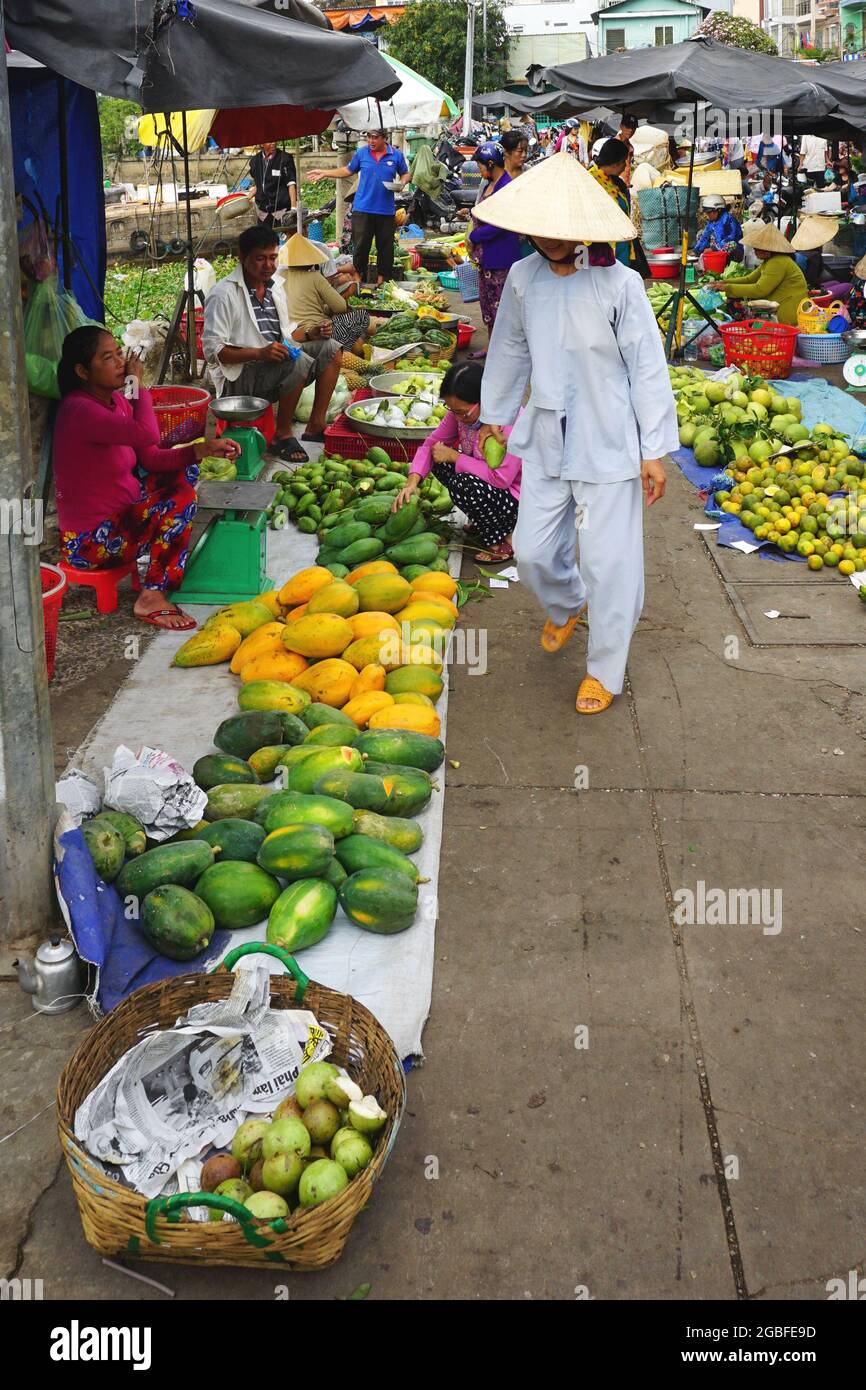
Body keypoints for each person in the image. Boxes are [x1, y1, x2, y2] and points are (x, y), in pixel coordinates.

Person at [473, 152, 678, 716]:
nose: (551, 239)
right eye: (542, 228)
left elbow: (646, 365)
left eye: (562, 229)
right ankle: (566, 606)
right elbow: (511, 345)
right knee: (533, 552)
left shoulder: (620, 283)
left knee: (611, 562)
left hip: (609, 440)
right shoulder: (522, 276)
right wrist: (495, 408)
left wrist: (654, 449)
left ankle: (605, 670)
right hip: (545, 436)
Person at [53, 326, 239, 631]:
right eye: (108, 358)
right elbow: (148, 433)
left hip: (122, 517)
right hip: (90, 543)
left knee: (183, 473)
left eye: (119, 354)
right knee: (180, 499)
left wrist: (204, 449)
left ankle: (158, 574)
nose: (120, 363)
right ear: (82, 371)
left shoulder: (116, 402)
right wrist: (137, 384)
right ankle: (151, 596)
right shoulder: (79, 410)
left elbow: (151, 457)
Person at [203, 224, 342, 462]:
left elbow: (287, 337)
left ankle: (315, 426)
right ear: (243, 257)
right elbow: (213, 352)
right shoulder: (224, 294)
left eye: (273, 258)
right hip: (237, 379)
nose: (268, 265)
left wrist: (312, 333)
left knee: (330, 348)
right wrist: (258, 354)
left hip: (268, 365)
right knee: (298, 363)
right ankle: (282, 434)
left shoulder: (274, 288)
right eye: (260, 259)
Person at [392, 361, 521, 564]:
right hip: (491, 489)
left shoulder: (509, 423)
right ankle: (487, 522)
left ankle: (504, 538)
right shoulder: (459, 415)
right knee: (438, 458)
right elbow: (430, 446)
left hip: (517, 498)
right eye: (452, 410)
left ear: (483, 400)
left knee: (465, 484)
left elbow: (501, 479)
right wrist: (412, 483)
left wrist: (455, 456)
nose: (458, 417)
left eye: (463, 412)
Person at [308, 129, 410, 285]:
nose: (371, 141)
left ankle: (383, 282)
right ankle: (358, 281)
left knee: (386, 249)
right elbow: (347, 170)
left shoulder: (396, 155)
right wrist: (325, 173)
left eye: (375, 137)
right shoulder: (362, 153)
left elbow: (405, 173)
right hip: (362, 209)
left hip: (386, 210)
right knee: (360, 248)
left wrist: (402, 183)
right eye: (368, 137)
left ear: (384, 138)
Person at [468, 142, 524, 337]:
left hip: (501, 258)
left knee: (502, 310)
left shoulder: (507, 186)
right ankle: (491, 347)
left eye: (481, 165)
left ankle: (501, 352)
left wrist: (475, 236)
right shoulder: (489, 185)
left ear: (491, 163)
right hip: (486, 259)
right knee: (488, 308)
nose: (479, 169)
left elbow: (503, 223)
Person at [706, 222, 808, 326]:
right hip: (779, 304)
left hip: (788, 311)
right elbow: (749, 279)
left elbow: (760, 289)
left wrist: (727, 288)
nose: (754, 251)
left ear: (767, 251)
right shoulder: (770, 261)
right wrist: (723, 282)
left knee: (737, 304)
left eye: (756, 249)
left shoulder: (778, 262)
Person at [280, 233, 369, 352]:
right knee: (362, 317)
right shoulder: (314, 277)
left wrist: (324, 307)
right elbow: (341, 307)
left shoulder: (277, 276)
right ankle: (343, 353)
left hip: (289, 334)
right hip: (316, 333)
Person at [589, 139, 638, 270]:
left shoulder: (616, 182)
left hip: (622, 245)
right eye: (624, 161)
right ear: (616, 163)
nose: (626, 165)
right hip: (603, 251)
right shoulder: (590, 181)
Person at [249, 141, 297, 226]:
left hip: (281, 210)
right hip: (263, 213)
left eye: (274, 140)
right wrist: (246, 198)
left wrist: (293, 208)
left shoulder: (285, 158)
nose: (273, 143)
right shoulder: (254, 161)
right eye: (269, 142)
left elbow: (291, 183)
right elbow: (259, 185)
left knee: (284, 236)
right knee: (264, 237)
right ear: (261, 144)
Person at [695, 195, 743, 262]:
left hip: (732, 253)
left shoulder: (729, 220)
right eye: (706, 212)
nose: (707, 215)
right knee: (700, 234)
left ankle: (727, 262)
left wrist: (713, 249)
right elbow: (705, 236)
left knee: (732, 244)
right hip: (718, 249)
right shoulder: (711, 222)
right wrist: (696, 251)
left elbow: (731, 238)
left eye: (709, 212)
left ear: (719, 210)